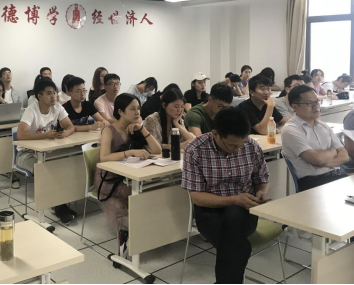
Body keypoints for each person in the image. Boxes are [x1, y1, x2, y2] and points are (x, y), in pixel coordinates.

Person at [182, 107, 270, 284]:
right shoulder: (196, 149)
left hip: (245, 210)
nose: (237, 149)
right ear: (215, 134)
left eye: (240, 144)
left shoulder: (251, 146)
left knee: (234, 215)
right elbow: (197, 197)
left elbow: (262, 179)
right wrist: (234, 199)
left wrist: (261, 192)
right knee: (238, 246)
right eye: (232, 145)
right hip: (209, 211)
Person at [96, 94, 162, 259]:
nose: (137, 112)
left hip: (131, 174)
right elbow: (104, 157)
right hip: (111, 179)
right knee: (139, 197)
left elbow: (157, 150)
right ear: (120, 111)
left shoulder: (135, 128)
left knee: (158, 190)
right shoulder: (109, 130)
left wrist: (142, 129)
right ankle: (127, 238)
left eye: (138, 108)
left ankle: (154, 234)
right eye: (132, 109)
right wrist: (130, 152)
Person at [16, 78, 77, 224]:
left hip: (48, 151)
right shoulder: (31, 109)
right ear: (39, 96)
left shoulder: (57, 107)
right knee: (46, 171)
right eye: (49, 93)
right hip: (26, 153)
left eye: (54, 93)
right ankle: (59, 207)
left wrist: (65, 133)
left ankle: (61, 202)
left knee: (67, 165)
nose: (53, 96)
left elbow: (71, 126)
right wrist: (45, 135)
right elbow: (20, 135)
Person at [282, 86, 349, 191]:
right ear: (294, 107)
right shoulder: (290, 129)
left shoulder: (323, 126)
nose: (316, 106)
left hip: (334, 176)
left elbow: (344, 156)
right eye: (310, 103)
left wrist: (322, 162)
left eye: (317, 102)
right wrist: (333, 151)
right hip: (312, 183)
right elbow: (316, 159)